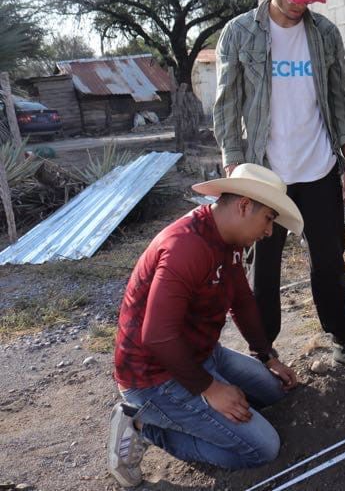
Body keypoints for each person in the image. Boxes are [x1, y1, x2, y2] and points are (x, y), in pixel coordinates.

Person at [213, 0, 345, 375]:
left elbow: (340, 97)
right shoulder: (239, 34)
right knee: (263, 274)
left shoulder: (325, 34)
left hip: (319, 170)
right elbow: (226, 105)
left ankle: (344, 342)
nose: (300, 5)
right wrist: (234, 165)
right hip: (265, 176)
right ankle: (264, 356)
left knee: (330, 262)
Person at [108, 164, 303, 487]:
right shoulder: (186, 246)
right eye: (268, 218)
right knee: (263, 448)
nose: (269, 230)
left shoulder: (228, 241)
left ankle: (204, 412)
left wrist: (267, 355)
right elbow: (156, 335)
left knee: (274, 392)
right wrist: (209, 388)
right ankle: (146, 427)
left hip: (202, 355)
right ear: (243, 206)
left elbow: (241, 300)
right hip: (154, 377)